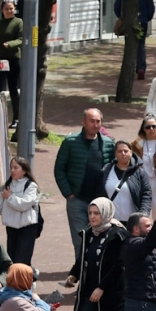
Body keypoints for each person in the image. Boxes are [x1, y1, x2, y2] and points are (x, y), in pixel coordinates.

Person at [70, 197, 126, 311]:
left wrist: (102, 288)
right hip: (89, 291)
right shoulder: (88, 233)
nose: (92, 217)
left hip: (109, 293)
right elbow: (83, 258)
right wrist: (73, 275)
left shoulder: (117, 235)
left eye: (97, 213)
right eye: (90, 213)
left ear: (106, 213)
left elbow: (118, 266)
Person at [54, 109, 109, 267]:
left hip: (100, 202)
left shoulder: (108, 144)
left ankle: (96, 272)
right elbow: (59, 169)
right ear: (83, 122)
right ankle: (82, 273)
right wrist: (68, 193)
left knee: (100, 240)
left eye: (98, 121)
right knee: (81, 240)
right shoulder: (70, 142)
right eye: (92, 121)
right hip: (77, 200)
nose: (95, 124)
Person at [0, 156, 43, 266]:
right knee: (11, 261)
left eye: (16, 168)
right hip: (11, 228)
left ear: (24, 170)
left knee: (22, 261)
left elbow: (24, 205)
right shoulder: (7, 186)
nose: (12, 170)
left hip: (27, 228)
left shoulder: (31, 186)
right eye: (11, 167)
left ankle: (29, 275)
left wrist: (10, 197)